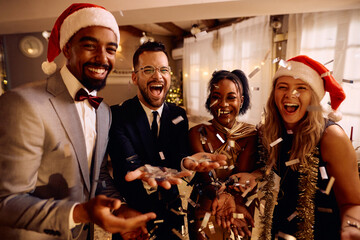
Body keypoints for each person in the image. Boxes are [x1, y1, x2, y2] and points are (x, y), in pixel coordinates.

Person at [0, 3, 157, 240]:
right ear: (67, 48)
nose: (102, 58)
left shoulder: (103, 112)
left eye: (111, 50)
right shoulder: (24, 103)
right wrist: (80, 212)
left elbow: (98, 176)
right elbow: (6, 202)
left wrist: (121, 209)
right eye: (90, 46)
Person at [108, 41, 227, 240]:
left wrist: (185, 162)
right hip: (133, 216)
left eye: (164, 69)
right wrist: (149, 173)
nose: (158, 75)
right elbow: (129, 163)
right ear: (135, 77)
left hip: (172, 215)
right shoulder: (117, 115)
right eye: (148, 70)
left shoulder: (178, 114)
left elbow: (176, 155)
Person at [257, 55, 360, 240]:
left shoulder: (331, 137)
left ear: (313, 97)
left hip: (323, 233)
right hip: (283, 230)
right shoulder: (271, 132)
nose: (291, 95)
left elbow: (353, 202)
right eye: (283, 87)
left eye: (301, 88)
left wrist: (351, 229)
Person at [186, 70, 259, 239]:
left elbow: (243, 177)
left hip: (241, 207)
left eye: (231, 97)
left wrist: (237, 204)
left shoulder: (251, 134)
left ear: (241, 100)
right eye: (216, 97)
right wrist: (223, 196)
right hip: (207, 207)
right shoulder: (197, 132)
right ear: (209, 101)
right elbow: (207, 177)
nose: (223, 104)